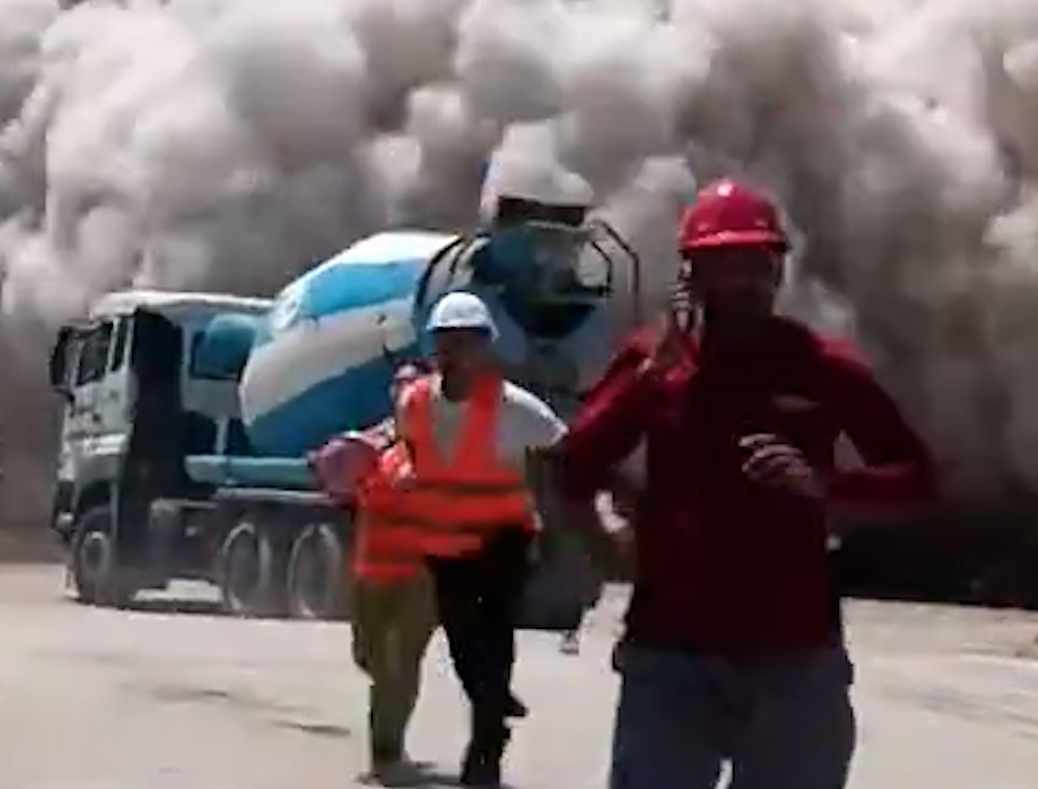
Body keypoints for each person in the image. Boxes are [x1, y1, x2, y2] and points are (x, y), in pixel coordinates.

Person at [547, 178, 939, 789]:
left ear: (778, 271)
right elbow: (573, 467)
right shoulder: (653, 364)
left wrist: (823, 487)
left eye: (756, 263)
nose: (740, 281)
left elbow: (917, 479)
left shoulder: (823, 365)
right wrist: (649, 384)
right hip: (670, 650)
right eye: (721, 263)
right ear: (690, 274)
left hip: (794, 651)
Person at [391, 291, 567, 787]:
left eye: (467, 343)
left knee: (494, 640)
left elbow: (563, 446)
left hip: (502, 542)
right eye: (446, 343)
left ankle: (485, 748)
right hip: (444, 549)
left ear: (486, 348)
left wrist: (558, 520)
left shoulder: (513, 408)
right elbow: (409, 450)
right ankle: (493, 699)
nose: (456, 355)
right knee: (465, 648)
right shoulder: (414, 403)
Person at [312, 366, 437, 785]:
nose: (405, 396)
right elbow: (336, 479)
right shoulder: (374, 445)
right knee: (367, 655)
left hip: (418, 578)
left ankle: (386, 754)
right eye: (399, 388)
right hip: (370, 573)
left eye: (413, 388)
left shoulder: (442, 446)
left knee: (395, 667)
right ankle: (390, 724)